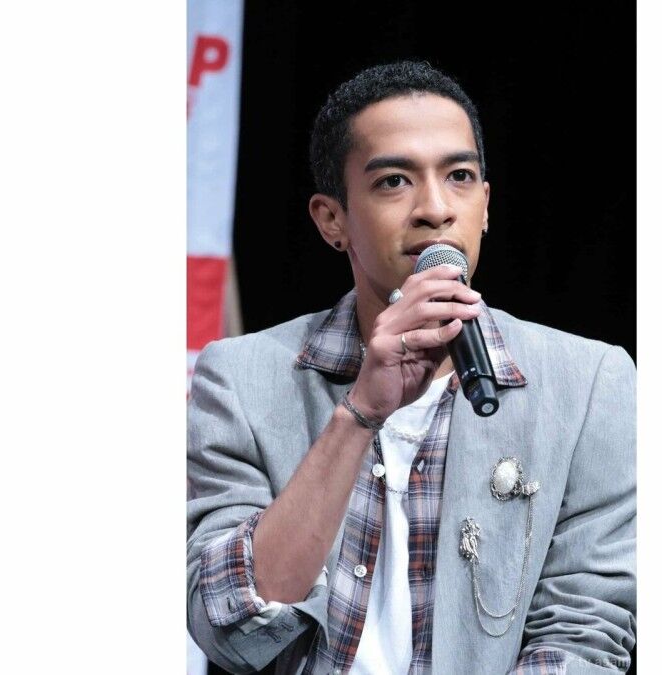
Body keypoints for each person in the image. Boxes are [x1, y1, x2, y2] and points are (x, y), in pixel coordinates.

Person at [186, 60, 636, 674]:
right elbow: (229, 628)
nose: (435, 208)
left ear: (485, 205)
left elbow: (585, 631)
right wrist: (359, 414)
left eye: (459, 176)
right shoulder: (238, 379)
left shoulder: (590, 383)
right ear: (332, 219)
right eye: (394, 181)